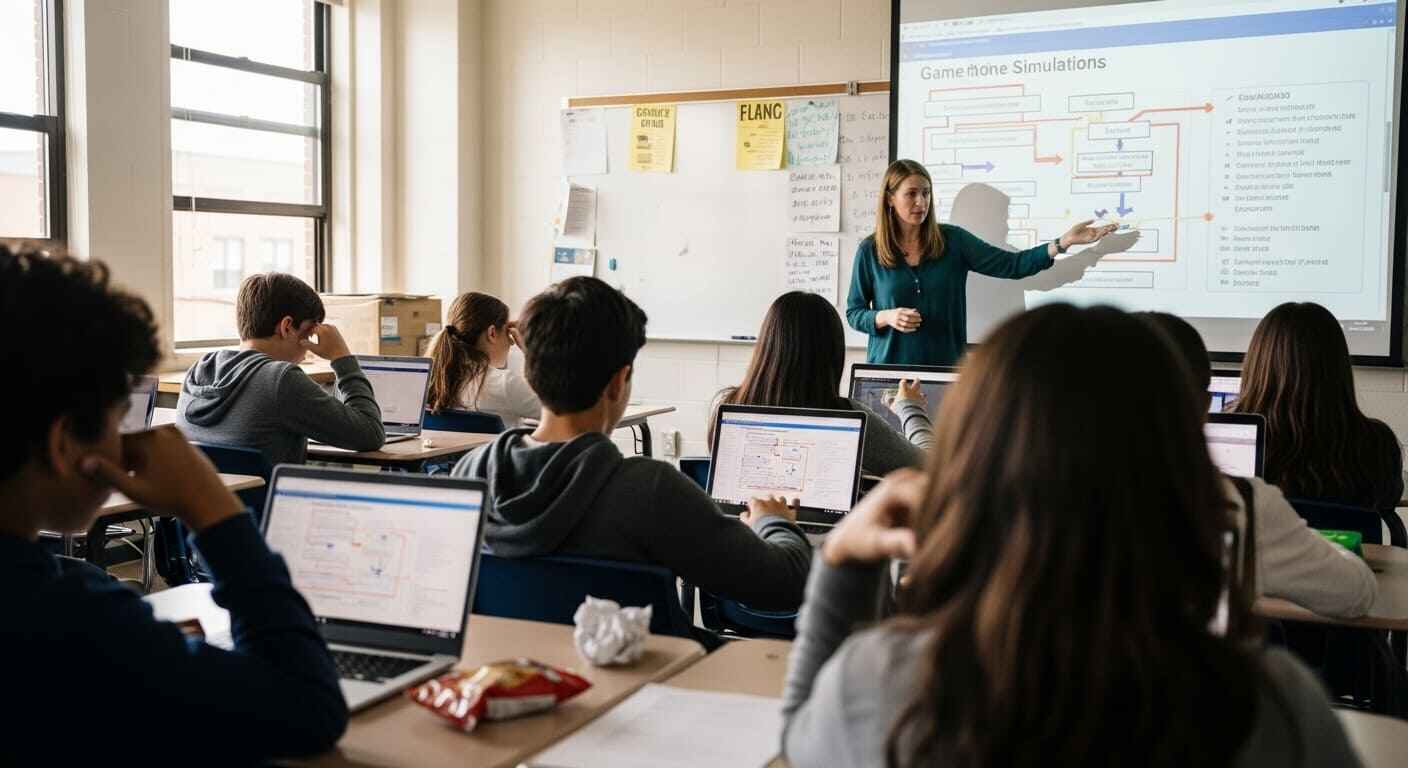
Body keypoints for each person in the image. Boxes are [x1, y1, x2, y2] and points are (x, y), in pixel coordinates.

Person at [782, 303, 1359, 768]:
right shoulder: (1276, 710)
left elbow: (799, 744)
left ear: (970, 467)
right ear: (1185, 465)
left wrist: (841, 562)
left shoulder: (881, 686)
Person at [0, 244, 347, 761]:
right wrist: (214, 508)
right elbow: (308, 709)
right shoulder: (67, 616)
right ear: (64, 442)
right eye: (120, 419)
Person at [452, 277, 811, 611]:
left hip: (510, 672)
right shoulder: (651, 491)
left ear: (530, 373)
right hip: (645, 676)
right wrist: (774, 522)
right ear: (618, 382)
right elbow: (783, 584)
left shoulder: (472, 473)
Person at [1141, 311, 1375, 618]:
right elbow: (1358, 593)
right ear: (1201, 408)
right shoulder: (1240, 507)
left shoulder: (1059, 500)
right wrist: (1321, 541)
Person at [846, 159, 1118, 366]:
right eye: (912, 193)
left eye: (926, 193)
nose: (921, 202)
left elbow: (1012, 265)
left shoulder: (953, 241)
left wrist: (1062, 243)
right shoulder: (870, 250)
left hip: (943, 371)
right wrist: (885, 316)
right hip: (888, 374)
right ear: (890, 199)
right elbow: (854, 312)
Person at [177, 272, 385, 465]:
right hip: (270, 504)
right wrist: (342, 357)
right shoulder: (280, 379)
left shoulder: (199, 370)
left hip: (207, 503)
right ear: (286, 327)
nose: (309, 350)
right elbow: (371, 434)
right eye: (309, 334)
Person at [1233, 302, 1405, 530]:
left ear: (1257, 364)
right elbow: (1387, 499)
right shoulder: (1377, 442)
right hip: (1351, 563)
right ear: (1339, 366)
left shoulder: (1233, 437)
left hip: (1258, 564)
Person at [712, 291, 927, 473]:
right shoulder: (849, 418)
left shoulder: (727, 405)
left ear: (767, 344)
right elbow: (933, 468)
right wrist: (909, 407)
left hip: (747, 522)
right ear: (832, 353)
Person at [426, 291, 541, 428]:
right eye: (507, 333)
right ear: (492, 333)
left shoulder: (430, 380)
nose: (511, 342)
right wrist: (532, 354)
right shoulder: (505, 384)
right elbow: (564, 414)